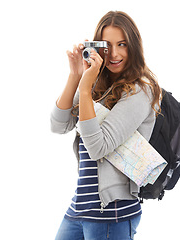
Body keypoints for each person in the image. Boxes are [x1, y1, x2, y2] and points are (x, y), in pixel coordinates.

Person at [51, 10, 161, 240]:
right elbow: (58, 125)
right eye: (107, 45)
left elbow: (98, 147)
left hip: (112, 214)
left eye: (122, 44)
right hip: (80, 208)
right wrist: (75, 76)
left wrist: (84, 88)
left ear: (133, 46)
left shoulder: (140, 90)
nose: (114, 53)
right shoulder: (95, 87)